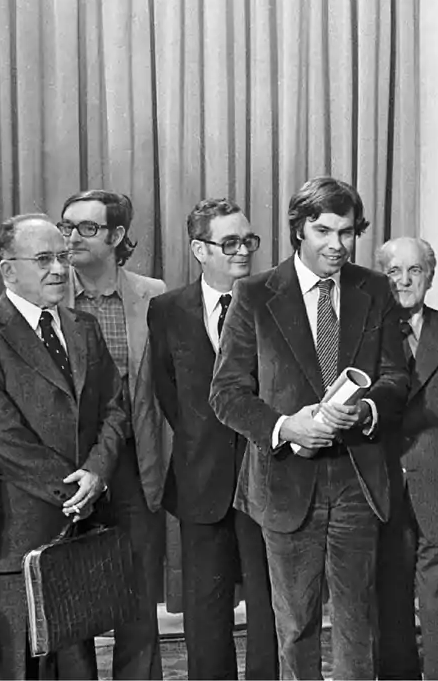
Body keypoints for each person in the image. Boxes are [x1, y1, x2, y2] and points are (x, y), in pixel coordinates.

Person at [209, 176, 409, 680]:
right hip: (284, 483)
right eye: (323, 231)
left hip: (356, 483)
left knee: (356, 624)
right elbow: (226, 393)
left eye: (346, 233)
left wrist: (365, 412)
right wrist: (285, 426)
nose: (336, 245)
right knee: (294, 625)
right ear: (298, 229)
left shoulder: (375, 289)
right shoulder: (254, 294)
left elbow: (395, 378)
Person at [0, 214, 131, 680]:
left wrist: (96, 472)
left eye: (63, 257)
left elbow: (115, 407)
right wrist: (72, 490)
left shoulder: (83, 326)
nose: (58, 269)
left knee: (76, 665)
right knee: (17, 667)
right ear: (9, 271)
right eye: (44, 259)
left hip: (80, 525)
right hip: (17, 529)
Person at [148, 198, 278, 680]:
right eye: (230, 242)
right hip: (200, 482)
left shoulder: (274, 302)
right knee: (205, 613)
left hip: (267, 479)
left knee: (268, 608)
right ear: (200, 250)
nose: (243, 250)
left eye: (248, 240)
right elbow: (170, 393)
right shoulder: (167, 310)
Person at [60, 189, 166, 680]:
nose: (72, 238)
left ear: (117, 236)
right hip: (65, 469)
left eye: (87, 228)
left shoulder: (154, 295)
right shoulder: (48, 294)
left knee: (139, 594)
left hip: (135, 462)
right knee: (68, 596)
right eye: (67, 227)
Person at [374, 237, 438, 681]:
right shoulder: (365, 332)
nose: (404, 281)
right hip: (383, 487)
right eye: (394, 272)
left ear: (430, 276)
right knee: (389, 604)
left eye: (414, 271)